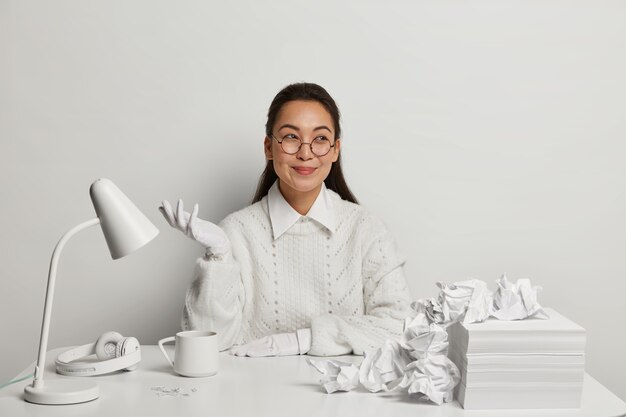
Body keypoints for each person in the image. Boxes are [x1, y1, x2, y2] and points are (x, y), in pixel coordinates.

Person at [159, 82, 412, 357]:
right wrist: (218, 258)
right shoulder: (236, 233)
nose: (305, 153)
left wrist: (302, 341)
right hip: (253, 395)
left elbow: (401, 326)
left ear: (335, 150)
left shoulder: (367, 230)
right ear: (269, 147)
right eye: (291, 137)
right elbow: (211, 343)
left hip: (344, 397)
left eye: (320, 139)